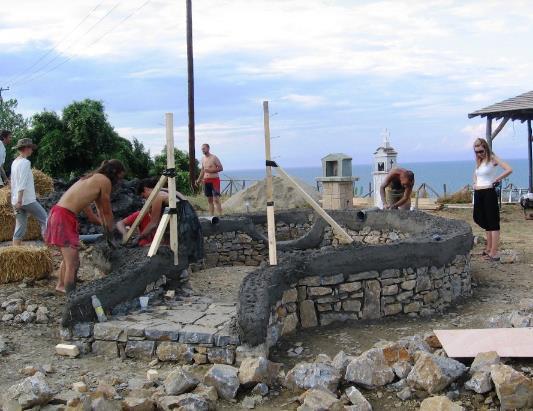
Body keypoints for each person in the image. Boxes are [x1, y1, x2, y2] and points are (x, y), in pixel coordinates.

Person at [45, 159, 126, 293]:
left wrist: (106, 228)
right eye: (120, 177)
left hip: (58, 214)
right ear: (115, 173)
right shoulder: (104, 181)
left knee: (68, 258)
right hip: (63, 217)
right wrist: (113, 232)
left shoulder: (89, 180)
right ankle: (72, 296)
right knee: (74, 262)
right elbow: (107, 211)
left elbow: (96, 215)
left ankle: (61, 286)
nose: (119, 181)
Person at [472, 138, 512, 261]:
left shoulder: (492, 158)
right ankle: (488, 249)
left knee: (493, 222)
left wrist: (496, 179)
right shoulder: (479, 161)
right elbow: (475, 174)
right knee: (481, 218)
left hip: (489, 192)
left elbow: (509, 169)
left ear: (486, 148)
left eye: (481, 151)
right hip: (478, 192)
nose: (479, 153)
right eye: (477, 152)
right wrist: (475, 183)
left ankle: (493, 252)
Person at [116, 177, 177, 246]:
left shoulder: (157, 196)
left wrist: (139, 238)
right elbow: (119, 223)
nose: (146, 200)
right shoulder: (167, 192)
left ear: (145, 189)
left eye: (144, 196)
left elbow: (153, 223)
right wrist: (125, 235)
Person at [10, 138, 48, 245]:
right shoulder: (26, 162)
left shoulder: (14, 162)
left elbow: (13, 182)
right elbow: (22, 183)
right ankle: (49, 248)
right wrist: (20, 200)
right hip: (26, 200)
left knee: (20, 226)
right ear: (26, 148)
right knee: (45, 220)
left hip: (16, 200)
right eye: (31, 148)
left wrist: (16, 200)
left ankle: (15, 251)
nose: (32, 150)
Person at [196, 143, 223, 215]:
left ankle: (220, 215)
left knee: (216, 199)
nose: (203, 150)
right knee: (209, 200)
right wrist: (198, 180)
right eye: (202, 149)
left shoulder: (214, 157)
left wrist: (211, 171)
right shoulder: (203, 159)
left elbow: (220, 168)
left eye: (204, 149)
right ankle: (211, 216)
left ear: (208, 148)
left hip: (214, 181)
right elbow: (202, 170)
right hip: (206, 181)